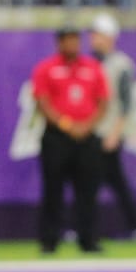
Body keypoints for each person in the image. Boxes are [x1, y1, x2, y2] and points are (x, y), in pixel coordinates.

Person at [30, 28, 110, 253]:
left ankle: (89, 239)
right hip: (57, 138)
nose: (72, 45)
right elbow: (42, 101)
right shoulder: (47, 68)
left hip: (87, 137)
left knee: (88, 192)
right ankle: (49, 241)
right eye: (68, 40)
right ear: (59, 43)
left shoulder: (92, 68)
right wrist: (66, 124)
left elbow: (103, 101)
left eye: (75, 40)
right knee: (53, 191)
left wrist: (87, 126)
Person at [88, 13, 136, 240]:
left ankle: (134, 227)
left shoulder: (121, 65)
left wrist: (115, 134)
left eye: (98, 35)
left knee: (112, 182)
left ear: (110, 37)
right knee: (90, 182)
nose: (93, 39)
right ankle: (88, 227)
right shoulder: (89, 64)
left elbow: (126, 104)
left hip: (110, 132)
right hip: (92, 131)